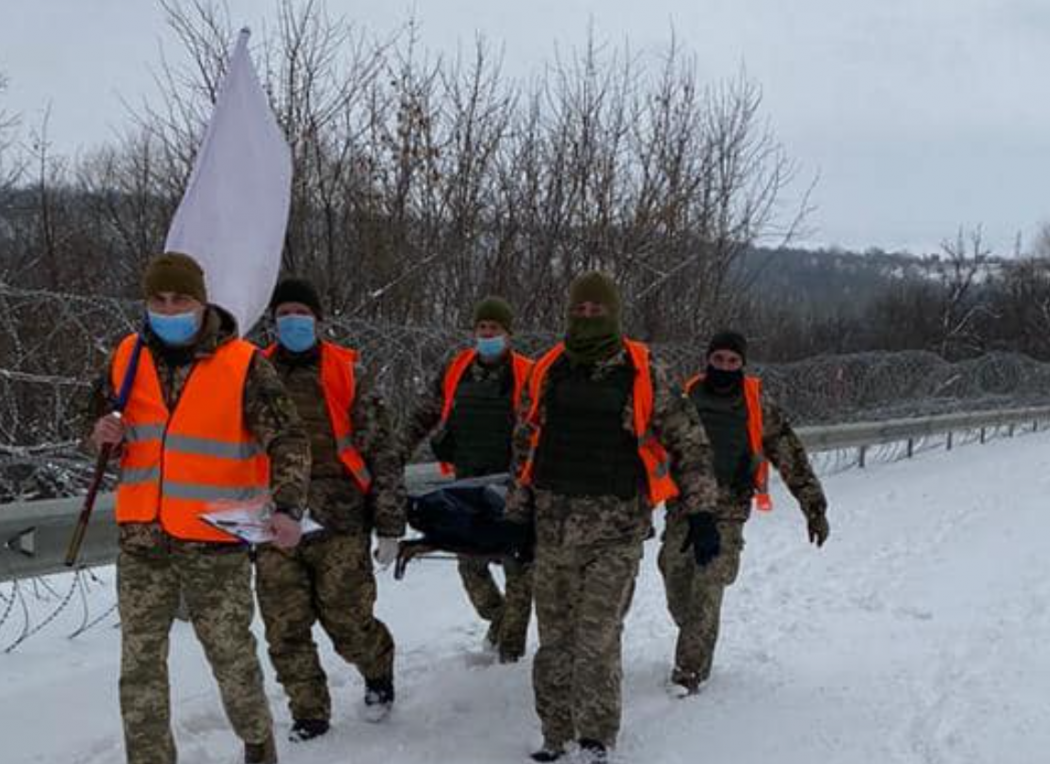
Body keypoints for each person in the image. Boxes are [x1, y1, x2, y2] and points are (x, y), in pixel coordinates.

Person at [87, 252, 311, 764]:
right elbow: (99, 420)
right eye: (158, 299)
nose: (169, 308)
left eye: (180, 298)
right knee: (139, 668)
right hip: (143, 539)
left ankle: (257, 744)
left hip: (215, 541)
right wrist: (101, 433)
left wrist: (289, 507)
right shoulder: (126, 357)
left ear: (201, 301)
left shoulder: (243, 364)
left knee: (232, 659)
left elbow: (290, 440)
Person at [506, 272, 723, 764]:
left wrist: (703, 512)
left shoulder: (645, 371)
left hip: (616, 531)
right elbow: (525, 451)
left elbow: (689, 444)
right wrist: (517, 516)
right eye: (579, 311)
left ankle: (595, 739)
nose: (587, 319)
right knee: (554, 642)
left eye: (596, 311)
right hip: (553, 528)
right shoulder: (547, 371)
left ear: (614, 314)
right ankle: (555, 735)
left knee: (597, 638)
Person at [254, 277, 407, 743]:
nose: (293, 321)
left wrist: (389, 524)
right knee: (284, 626)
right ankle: (309, 712)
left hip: (340, 519)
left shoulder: (346, 371)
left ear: (318, 320)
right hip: (274, 520)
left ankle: (377, 669)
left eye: (302, 312)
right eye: (284, 313)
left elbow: (382, 452)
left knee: (347, 621)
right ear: (273, 320)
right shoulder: (252, 372)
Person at [659, 330, 830, 695]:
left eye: (732, 361)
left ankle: (688, 672)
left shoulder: (756, 405)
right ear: (707, 360)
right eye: (718, 359)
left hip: (729, 511)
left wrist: (813, 506)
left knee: (708, 586)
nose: (724, 366)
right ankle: (694, 633)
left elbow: (790, 455)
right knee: (677, 583)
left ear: (742, 365)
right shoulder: (685, 399)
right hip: (683, 508)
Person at [401, 297, 535, 663]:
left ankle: (510, 654)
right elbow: (425, 413)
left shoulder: (528, 373)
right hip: (465, 484)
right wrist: (398, 452)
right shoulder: (456, 368)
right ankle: (499, 616)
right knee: (470, 564)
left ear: (509, 334)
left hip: (513, 488)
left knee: (518, 568)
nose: (487, 334)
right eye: (482, 328)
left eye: (495, 328)